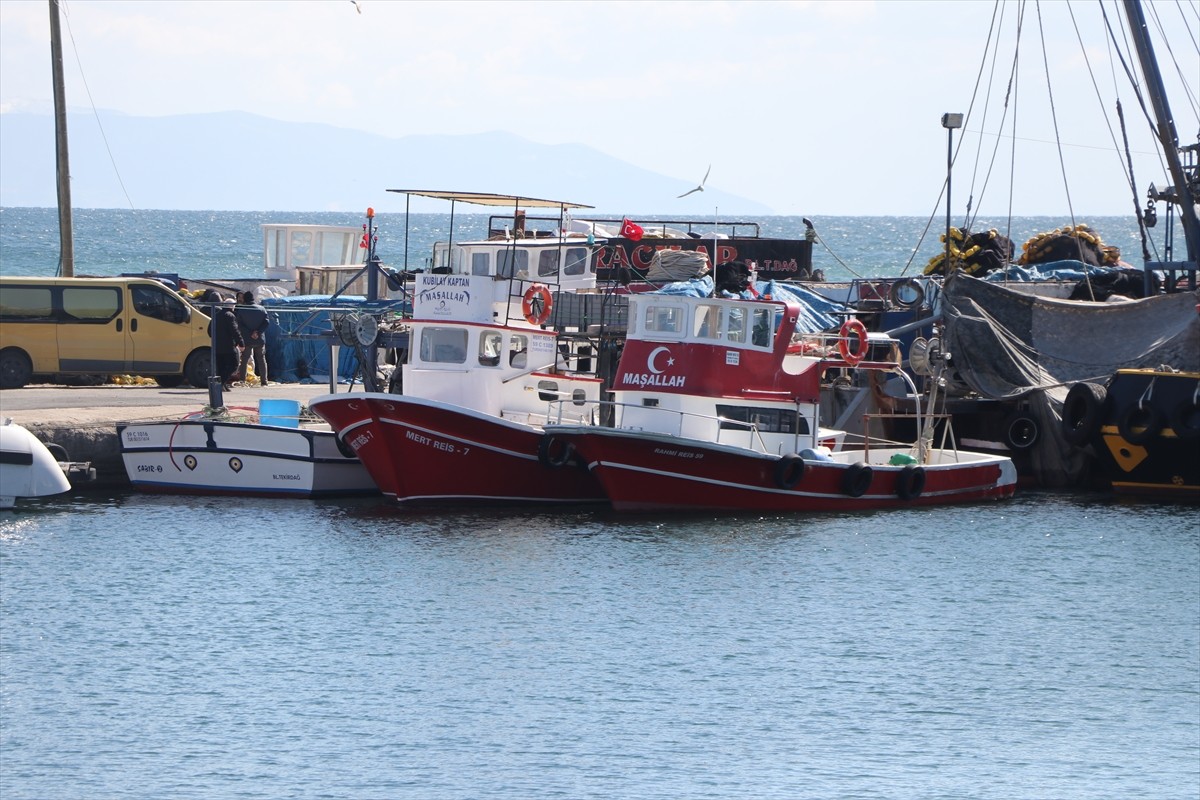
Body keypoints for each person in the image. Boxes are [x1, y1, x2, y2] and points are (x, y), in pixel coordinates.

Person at [234, 291, 270, 386]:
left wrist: (250, 332)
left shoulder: (242, 310)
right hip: (259, 338)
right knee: (261, 359)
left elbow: (239, 324)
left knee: (245, 360)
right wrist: (258, 332)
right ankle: (264, 381)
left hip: (247, 339)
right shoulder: (262, 309)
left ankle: (242, 380)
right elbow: (266, 323)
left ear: (245, 299)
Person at [213, 297, 244, 391]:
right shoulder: (230, 316)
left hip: (217, 346)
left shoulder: (216, 315)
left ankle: (222, 385)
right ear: (232, 306)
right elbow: (235, 330)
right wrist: (241, 342)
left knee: (221, 366)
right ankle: (222, 382)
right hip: (229, 346)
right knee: (233, 364)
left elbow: (209, 330)